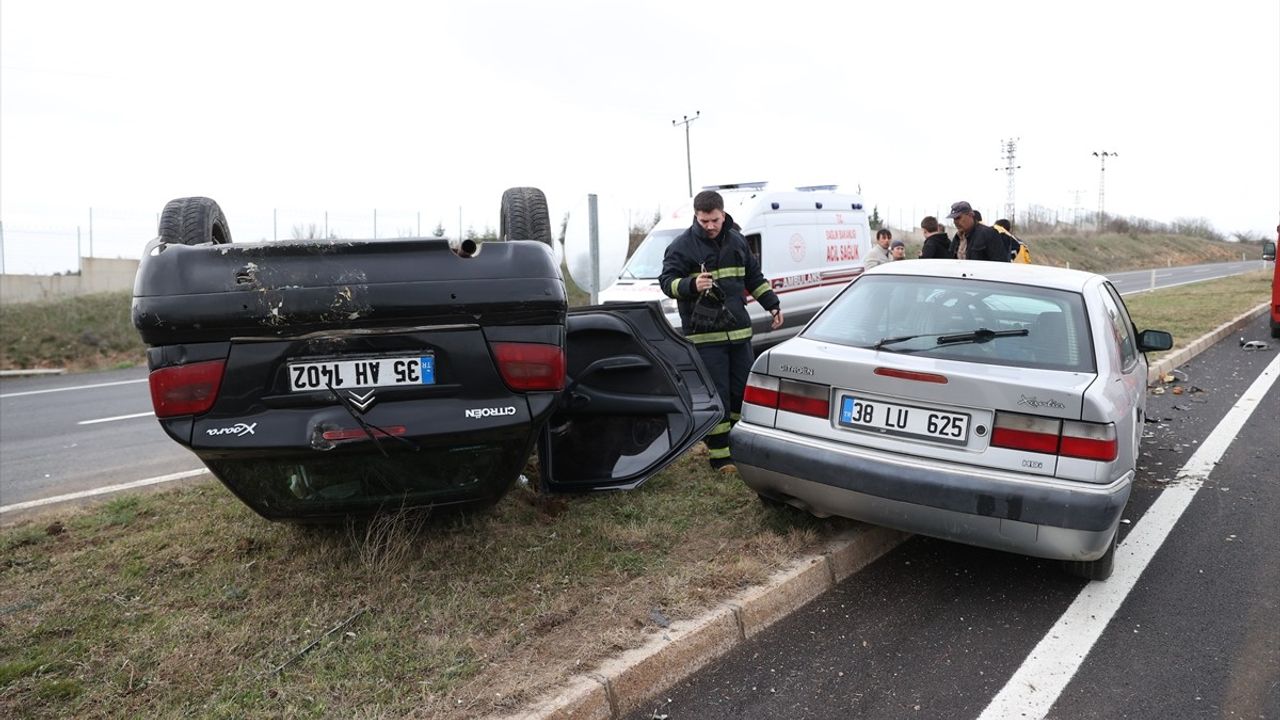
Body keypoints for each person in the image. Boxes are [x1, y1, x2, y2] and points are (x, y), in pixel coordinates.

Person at [660, 190, 783, 473]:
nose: (710, 226)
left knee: (742, 392)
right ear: (696, 216)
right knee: (719, 395)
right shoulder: (681, 246)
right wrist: (691, 285)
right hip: (705, 337)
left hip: (739, 333)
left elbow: (754, 278)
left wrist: (773, 305)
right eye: (704, 221)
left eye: (714, 220)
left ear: (723, 213)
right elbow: (666, 282)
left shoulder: (738, 241)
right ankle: (720, 457)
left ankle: (738, 446)